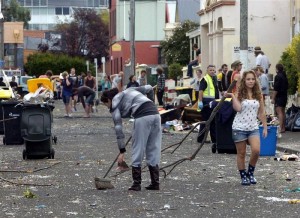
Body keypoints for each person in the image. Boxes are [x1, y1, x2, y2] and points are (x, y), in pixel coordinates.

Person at [100, 85, 161, 191]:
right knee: (153, 148)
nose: (108, 108)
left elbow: (118, 129)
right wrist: (151, 102)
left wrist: (122, 151)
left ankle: (136, 184)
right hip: (156, 114)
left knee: (138, 148)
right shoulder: (130, 90)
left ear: (109, 100)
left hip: (142, 116)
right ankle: (155, 183)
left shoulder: (114, 104)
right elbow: (150, 88)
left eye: (106, 105)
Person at [226, 70, 267, 186]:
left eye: (253, 79)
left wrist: (265, 127)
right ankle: (243, 176)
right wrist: (233, 96)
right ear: (244, 80)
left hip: (253, 127)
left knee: (256, 150)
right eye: (248, 79)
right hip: (239, 127)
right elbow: (238, 108)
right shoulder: (240, 93)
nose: (251, 81)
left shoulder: (258, 94)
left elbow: (261, 112)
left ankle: (251, 173)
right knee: (241, 153)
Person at [197, 65, 219, 149]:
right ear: (207, 71)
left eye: (213, 70)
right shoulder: (205, 79)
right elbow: (201, 91)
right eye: (211, 70)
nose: (212, 71)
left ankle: (214, 139)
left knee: (212, 121)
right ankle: (201, 138)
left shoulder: (214, 79)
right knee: (207, 121)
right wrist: (200, 101)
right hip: (206, 102)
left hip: (212, 102)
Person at [271, 63, 288, 133]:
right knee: (283, 112)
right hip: (284, 95)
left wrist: (273, 98)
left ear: (277, 69)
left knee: (279, 112)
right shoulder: (284, 76)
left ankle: (280, 128)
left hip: (279, 96)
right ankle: (283, 127)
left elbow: (276, 88)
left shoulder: (278, 76)